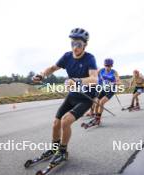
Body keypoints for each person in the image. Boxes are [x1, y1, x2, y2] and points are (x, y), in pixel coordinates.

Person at [33, 28, 98, 164]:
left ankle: (63, 151)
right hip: (72, 96)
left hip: (86, 98)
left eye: (79, 44)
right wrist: (41, 74)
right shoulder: (67, 56)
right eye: (73, 43)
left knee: (65, 121)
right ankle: (55, 148)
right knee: (56, 123)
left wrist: (78, 81)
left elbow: (94, 79)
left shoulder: (90, 58)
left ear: (85, 45)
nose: (75, 47)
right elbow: (52, 68)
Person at [82, 58, 121, 128]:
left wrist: (112, 83)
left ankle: (98, 119)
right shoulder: (101, 70)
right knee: (96, 102)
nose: (107, 67)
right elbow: (93, 76)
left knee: (101, 102)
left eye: (109, 66)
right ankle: (96, 117)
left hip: (111, 90)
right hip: (103, 89)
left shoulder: (114, 72)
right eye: (106, 65)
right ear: (104, 65)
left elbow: (119, 82)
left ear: (112, 66)